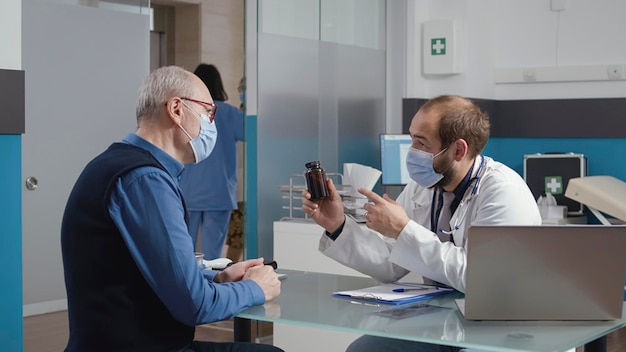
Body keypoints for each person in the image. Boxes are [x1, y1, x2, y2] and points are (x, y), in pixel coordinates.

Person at [61, 65, 282, 352]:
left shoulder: (116, 164)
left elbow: (151, 272)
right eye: (208, 113)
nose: (211, 124)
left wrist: (218, 277)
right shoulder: (145, 180)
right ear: (176, 109)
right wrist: (257, 288)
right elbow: (195, 304)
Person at [301, 94, 541, 352]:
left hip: (500, 326)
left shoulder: (503, 191)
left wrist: (404, 229)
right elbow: (391, 263)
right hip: (444, 320)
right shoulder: (423, 186)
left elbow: (481, 279)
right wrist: (337, 224)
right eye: (411, 138)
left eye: (422, 143)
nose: (412, 151)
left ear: (458, 150)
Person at [179, 64, 245, 260]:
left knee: (184, 252)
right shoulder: (229, 113)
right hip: (219, 192)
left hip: (188, 191)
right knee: (213, 257)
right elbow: (254, 133)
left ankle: (186, 288)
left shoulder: (185, 110)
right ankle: (212, 288)